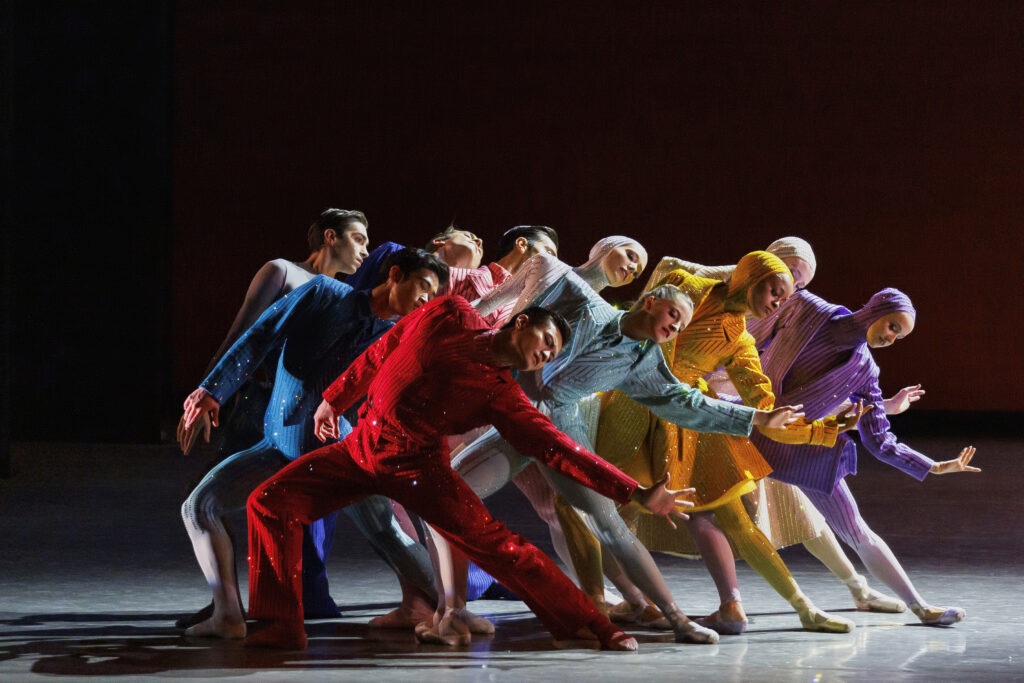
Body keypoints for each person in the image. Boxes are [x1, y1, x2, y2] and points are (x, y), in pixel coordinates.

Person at [243, 297, 693, 651]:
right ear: (522, 322)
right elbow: (387, 346)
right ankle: (281, 625)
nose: (546, 354)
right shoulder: (449, 314)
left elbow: (559, 449)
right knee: (268, 502)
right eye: (547, 340)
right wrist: (336, 398)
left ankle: (592, 623)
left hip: (418, 469)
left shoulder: (502, 395)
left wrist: (633, 492)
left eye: (552, 354)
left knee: (501, 546)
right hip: (359, 448)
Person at [430, 252, 806, 645]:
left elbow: (688, 404)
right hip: (516, 419)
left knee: (608, 524)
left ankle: (677, 619)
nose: (674, 329)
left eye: (681, 327)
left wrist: (756, 419)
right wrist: (484, 315)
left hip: (563, 436)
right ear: (650, 302)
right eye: (673, 316)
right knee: (444, 494)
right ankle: (450, 611)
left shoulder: (642, 363)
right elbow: (542, 271)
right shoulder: (584, 304)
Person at [178, 248, 449, 640]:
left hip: (339, 455)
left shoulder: (397, 339)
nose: (426, 299)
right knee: (199, 506)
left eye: (433, 294)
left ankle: (452, 608)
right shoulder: (324, 294)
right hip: (277, 447)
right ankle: (228, 615)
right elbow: (260, 335)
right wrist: (212, 390)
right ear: (395, 275)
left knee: (388, 531)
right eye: (423, 286)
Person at [593, 252, 861, 635]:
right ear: (750, 277)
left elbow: (768, 412)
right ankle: (631, 601)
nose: (777, 303)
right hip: (635, 409)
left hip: (687, 418)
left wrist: (824, 429)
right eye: (774, 291)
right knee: (605, 510)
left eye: (784, 299)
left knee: (734, 517)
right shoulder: (692, 288)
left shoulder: (739, 338)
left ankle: (802, 607)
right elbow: (665, 273)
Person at [174, 208, 370, 626]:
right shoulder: (282, 272)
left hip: (305, 418)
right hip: (260, 406)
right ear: (330, 237)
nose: (365, 250)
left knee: (299, 510)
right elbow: (245, 335)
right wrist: (211, 391)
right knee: (212, 497)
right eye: (358, 239)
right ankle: (225, 604)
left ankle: (286, 601)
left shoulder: (343, 293)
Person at [746, 287, 978, 626]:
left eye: (899, 336)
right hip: (746, 426)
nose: (891, 338)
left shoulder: (865, 371)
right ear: (877, 308)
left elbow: (880, 440)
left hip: (801, 447)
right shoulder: (807, 307)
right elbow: (749, 336)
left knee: (856, 529)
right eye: (893, 327)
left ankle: (920, 607)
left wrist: (935, 466)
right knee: (723, 521)